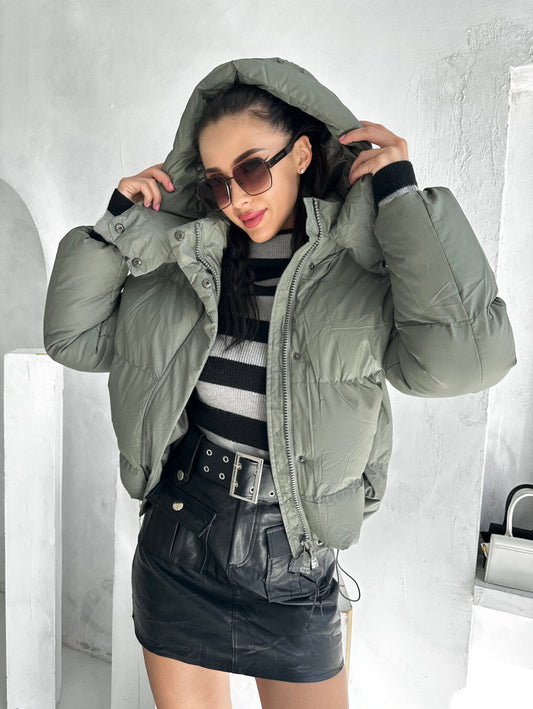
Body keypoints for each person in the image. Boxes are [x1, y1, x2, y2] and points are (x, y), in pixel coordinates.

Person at [43, 57, 516, 709]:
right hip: (180, 542)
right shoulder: (184, 260)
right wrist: (115, 224)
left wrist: (402, 197)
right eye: (217, 182)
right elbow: (73, 337)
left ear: (300, 154)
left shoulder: (359, 268)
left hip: (294, 556)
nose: (236, 197)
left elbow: (467, 361)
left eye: (251, 169)